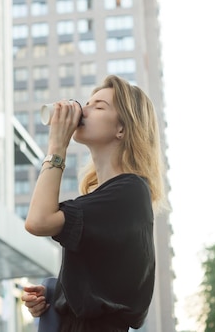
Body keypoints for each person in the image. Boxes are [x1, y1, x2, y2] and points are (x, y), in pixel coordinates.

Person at [22, 75, 168, 332]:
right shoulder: (108, 196)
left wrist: (57, 146)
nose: (83, 110)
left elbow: (38, 221)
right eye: (86, 103)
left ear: (122, 128)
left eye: (98, 106)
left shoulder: (129, 192)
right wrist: (54, 296)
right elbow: (104, 284)